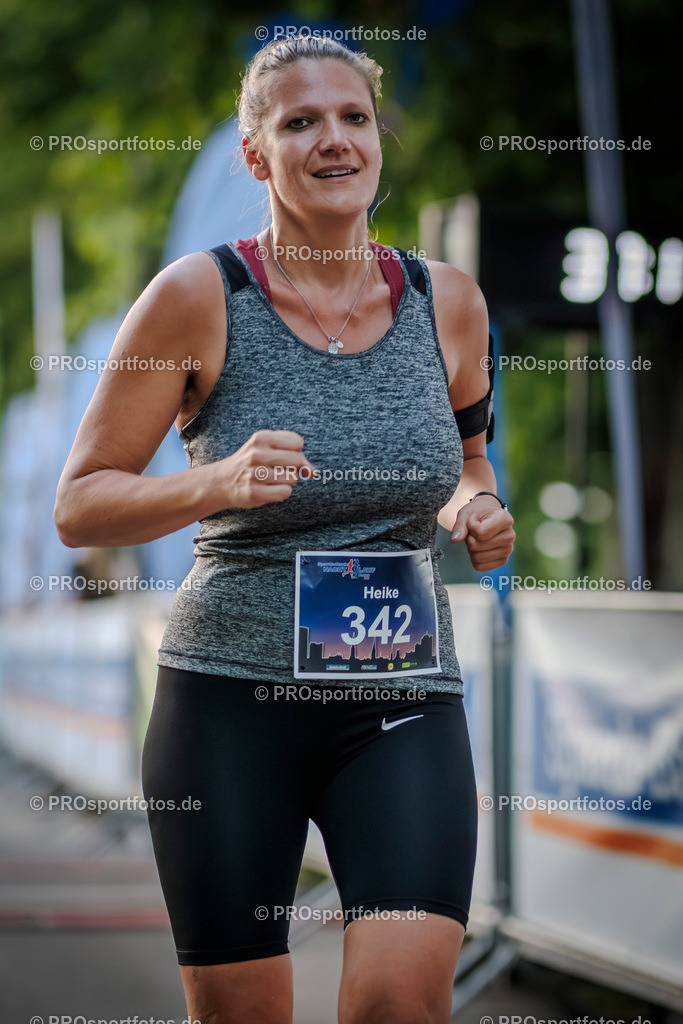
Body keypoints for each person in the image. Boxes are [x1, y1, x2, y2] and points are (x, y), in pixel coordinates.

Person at [54, 34, 515, 1024]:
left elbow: (465, 461)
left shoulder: (449, 304)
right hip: (229, 703)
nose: (333, 139)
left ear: (377, 141)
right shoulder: (195, 297)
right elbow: (80, 502)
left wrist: (471, 507)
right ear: (256, 154)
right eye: (300, 122)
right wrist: (215, 481)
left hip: (399, 698)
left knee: (400, 1001)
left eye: (353, 117)